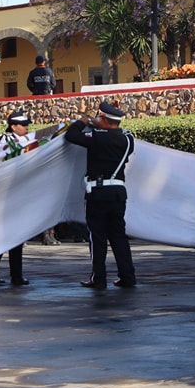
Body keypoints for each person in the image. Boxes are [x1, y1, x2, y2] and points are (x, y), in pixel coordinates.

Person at [65, 102, 136, 289]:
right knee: (119, 237)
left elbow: (71, 135)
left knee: (97, 238)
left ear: (104, 120)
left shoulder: (96, 137)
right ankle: (127, 277)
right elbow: (120, 134)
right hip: (118, 193)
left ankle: (99, 278)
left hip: (98, 194)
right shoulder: (128, 139)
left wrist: (83, 122)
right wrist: (99, 125)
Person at [0, 111, 35, 286]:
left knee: (16, 235)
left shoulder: (23, 141)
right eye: (23, 125)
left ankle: (16, 274)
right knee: (1, 235)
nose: (27, 127)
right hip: (3, 195)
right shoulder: (3, 140)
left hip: (16, 194)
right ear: (13, 126)